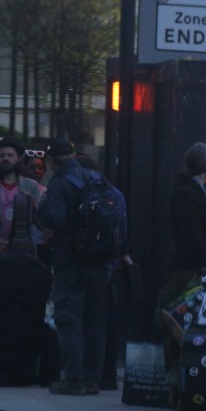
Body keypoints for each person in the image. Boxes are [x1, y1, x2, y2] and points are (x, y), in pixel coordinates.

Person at [37, 138, 126, 395]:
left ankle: (73, 379)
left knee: (69, 319)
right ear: (74, 155)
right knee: (95, 322)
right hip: (101, 263)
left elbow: (55, 218)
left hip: (71, 262)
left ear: (52, 161)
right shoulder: (95, 177)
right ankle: (92, 380)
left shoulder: (59, 183)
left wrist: (39, 213)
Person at [162, 142, 206, 407]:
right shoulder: (187, 195)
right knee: (182, 330)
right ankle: (177, 389)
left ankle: (183, 389)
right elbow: (193, 237)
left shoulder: (198, 191)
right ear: (203, 167)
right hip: (189, 271)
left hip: (197, 268)